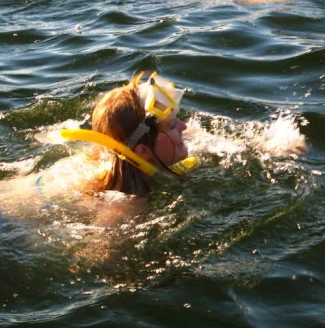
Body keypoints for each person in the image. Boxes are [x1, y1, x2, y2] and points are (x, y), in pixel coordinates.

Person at [0, 71, 307, 221]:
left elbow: (208, 141)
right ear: (144, 151)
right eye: (173, 126)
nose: (185, 127)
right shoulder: (124, 200)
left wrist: (267, 144)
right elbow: (98, 259)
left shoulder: (116, 153)